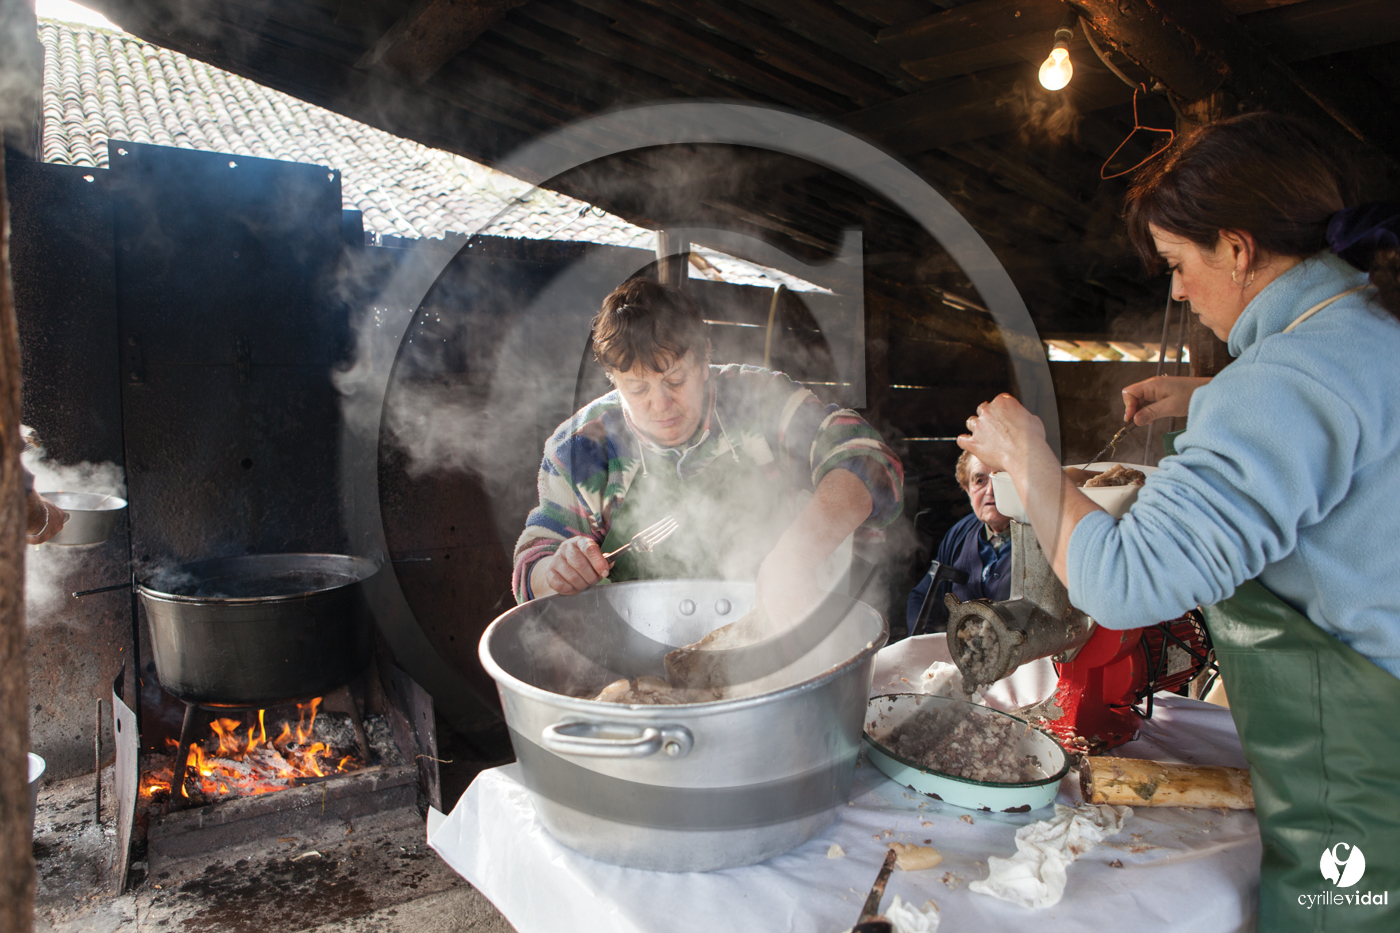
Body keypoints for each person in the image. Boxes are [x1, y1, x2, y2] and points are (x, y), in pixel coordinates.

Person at [960, 113, 1399, 932]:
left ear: (1236, 248)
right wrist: (1207, 402)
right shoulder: (1364, 335)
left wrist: (1029, 459)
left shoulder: (1286, 378)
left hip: (1370, 783)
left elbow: (1124, 582)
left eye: (1177, 263)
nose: (1177, 290)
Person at [513, 278, 903, 626]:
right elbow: (532, 568)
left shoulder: (758, 400)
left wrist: (794, 559)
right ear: (614, 381)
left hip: (772, 633)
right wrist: (558, 570)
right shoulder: (581, 447)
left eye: (675, 380)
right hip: (630, 653)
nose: (660, 404)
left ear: (703, 360)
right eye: (637, 389)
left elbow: (865, 458)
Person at [906, 449, 1011, 634]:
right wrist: (933, 645)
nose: (991, 490)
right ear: (967, 490)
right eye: (980, 481)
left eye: (1000, 477)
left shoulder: (1042, 537)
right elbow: (922, 597)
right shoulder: (960, 534)